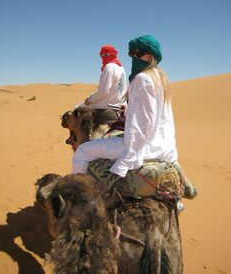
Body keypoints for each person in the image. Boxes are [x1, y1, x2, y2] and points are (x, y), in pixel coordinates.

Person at [72, 35, 197, 205]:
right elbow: (159, 117)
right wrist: (128, 108)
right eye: (131, 53)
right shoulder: (160, 78)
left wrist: (126, 161)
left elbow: (144, 125)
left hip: (141, 145)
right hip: (164, 147)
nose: (135, 57)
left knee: (82, 151)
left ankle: (78, 199)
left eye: (140, 53)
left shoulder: (141, 79)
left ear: (151, 55)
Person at [77, 45, 127, 110]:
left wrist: (89, 100)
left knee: (78, 108)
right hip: (119, 106)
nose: (103, 57)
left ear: (113, 54)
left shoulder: (109, 67)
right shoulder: (121, 68)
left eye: (106, 55)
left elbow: (103, 91)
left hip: (107, 106)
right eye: (101, 55)